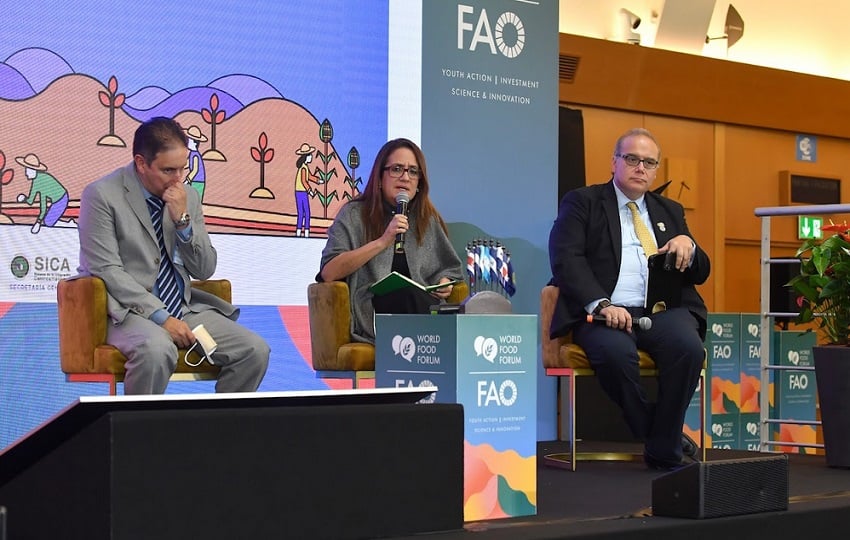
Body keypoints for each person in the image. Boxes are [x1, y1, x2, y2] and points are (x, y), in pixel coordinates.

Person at [548, 127, 710, 470]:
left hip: (662, 311)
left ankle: (661, 438)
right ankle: (663, 441)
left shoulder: (670, 210)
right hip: (606, 312)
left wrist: (689, 247)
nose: (641, 168)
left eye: (649, 163)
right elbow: (567, 258)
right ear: (614, 163)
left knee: (689, 349)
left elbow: (700, 272)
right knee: (615, 355)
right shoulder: (583, 202)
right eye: (632, 159)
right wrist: (601, 304)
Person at [77, 116, 269, 394]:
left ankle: (219, 436)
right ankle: (140, 437)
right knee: (157, 349)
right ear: (142, 164)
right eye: (168, 170)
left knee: (255, 350)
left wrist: (183, 223)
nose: (178, 178)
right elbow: (106, 270)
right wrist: (161, 318)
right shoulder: (102, 195)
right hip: (126, 311)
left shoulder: (187, 196)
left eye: (183, 168)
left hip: (184, 308)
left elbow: (205, 269)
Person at [318, 138, 464, 344]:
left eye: (413, 171)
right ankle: (442, 346)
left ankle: (443, 349)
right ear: (379, 178)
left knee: (448, 307)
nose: (405, 177)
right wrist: (383, 241)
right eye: (397, 169)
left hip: (421, 306)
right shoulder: (353, 214)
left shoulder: (426, 219)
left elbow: (448, 268)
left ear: (420, 183)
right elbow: (329, 272)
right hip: (373, 310)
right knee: (406, 293)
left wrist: (445, 282)